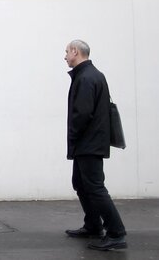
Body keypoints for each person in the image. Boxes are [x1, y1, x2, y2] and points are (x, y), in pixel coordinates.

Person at [63, 40, 127, 251]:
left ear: (75, 51)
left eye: (66, 52)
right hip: (90, 142)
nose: (65, 57)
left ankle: (116, 233)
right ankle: (93, 225)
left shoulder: (87, 78)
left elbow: (82, 114)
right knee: (81, 183)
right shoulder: (90, 75)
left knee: (95, 188)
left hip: (88, 143)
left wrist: (73, 136)